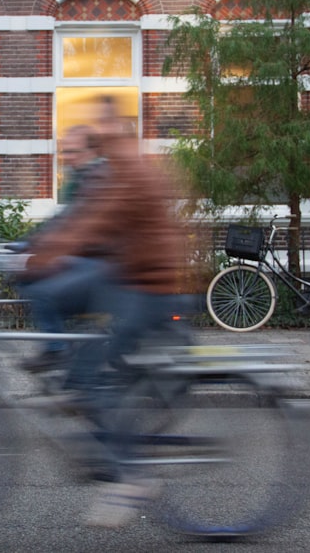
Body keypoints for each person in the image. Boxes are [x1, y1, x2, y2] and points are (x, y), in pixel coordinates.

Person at [18, 95, 191, 527]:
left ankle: (131, 477)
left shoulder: (131, 173)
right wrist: (42, 250)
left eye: (106, 131)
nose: (100, 138)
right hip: (128, 281)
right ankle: (76, 386)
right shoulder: (120, 172)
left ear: (119, 134)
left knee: (93, 375)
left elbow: (93, 224)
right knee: (80, 350)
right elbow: (83, 220)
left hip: (149, 290)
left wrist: (44, 256)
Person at [17, 123, 107, 372]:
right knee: (29, 277)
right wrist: (27, 243)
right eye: (65, 152)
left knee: (43, 290)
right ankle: (68, 340)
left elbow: (77, 224)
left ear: (92, 151)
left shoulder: (98, 178)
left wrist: (43, 252)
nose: (67, 158)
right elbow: (62, 219)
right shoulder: (82, 178)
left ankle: (57, 349)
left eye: (73, 152)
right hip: (87, 256)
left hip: (103, 262)